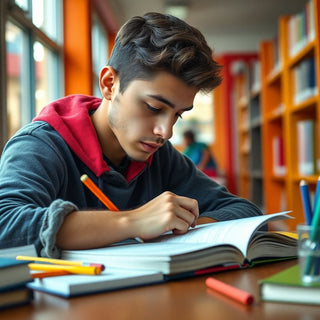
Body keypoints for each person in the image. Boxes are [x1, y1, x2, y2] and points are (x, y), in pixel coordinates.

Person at [0, 12, 262, 258]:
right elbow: (5, 225)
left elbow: (245, 211)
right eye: (154, 108)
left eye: (177, 115)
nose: (166, 132)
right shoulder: (42, 145)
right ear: (109, 84)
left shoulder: (159, 155)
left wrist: (182, 227)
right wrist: (135, 221)